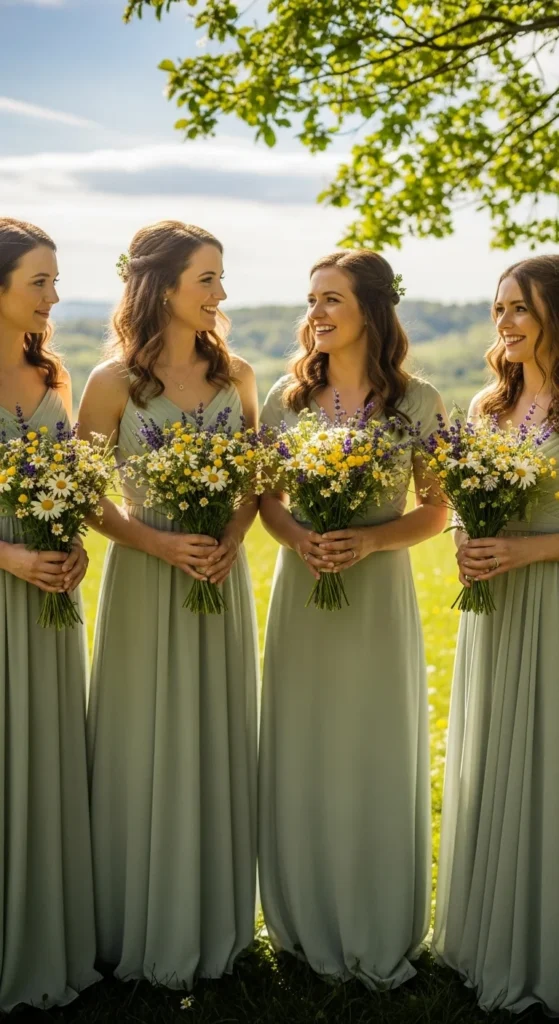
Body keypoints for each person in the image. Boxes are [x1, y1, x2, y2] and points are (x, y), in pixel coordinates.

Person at [258, 249, 447, 989]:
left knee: (372, 746)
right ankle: (302, 919)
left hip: (378, 595)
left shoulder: (419, 401)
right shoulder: (287, 399)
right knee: (303, 744)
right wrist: (298, 538)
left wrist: (370, 540)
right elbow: (267, 501)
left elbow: (435, 510)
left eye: (331, 298)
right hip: (303, 589)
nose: (316, 314)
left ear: (371, 308)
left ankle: (375, 917)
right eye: (311, 299)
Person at [79, 220, 259, 990]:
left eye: (219, 277)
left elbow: (253, 481)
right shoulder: (110, 383)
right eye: (206, 279)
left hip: (218, 576)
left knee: (216, 734)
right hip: (145, 580)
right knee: (141, 737)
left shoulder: (237, 375)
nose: (220, 293)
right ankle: (134, 919)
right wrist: (158, 544)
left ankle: (214, 922)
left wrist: (229, 538)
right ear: (162, 288)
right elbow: (85, 495)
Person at [433, 255, 559, 1014]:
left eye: (519, 308)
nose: (504, 323)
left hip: (549, 597)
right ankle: (491, 935)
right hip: (496, 608)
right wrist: (463, 540)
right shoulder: (487, 406)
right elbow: (458, 500)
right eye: (498, 309)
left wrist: (527, 551)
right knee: (495, 756)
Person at [0, 217, 99, 1011]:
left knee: (47, 758)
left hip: (51, 602)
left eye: (56, 282)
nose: (54, 297)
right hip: (7, 580)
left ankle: (44, 937)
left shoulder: (53, 377)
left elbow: (73, 489)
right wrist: (10, 558)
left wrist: (73, 549)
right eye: (40, 282)